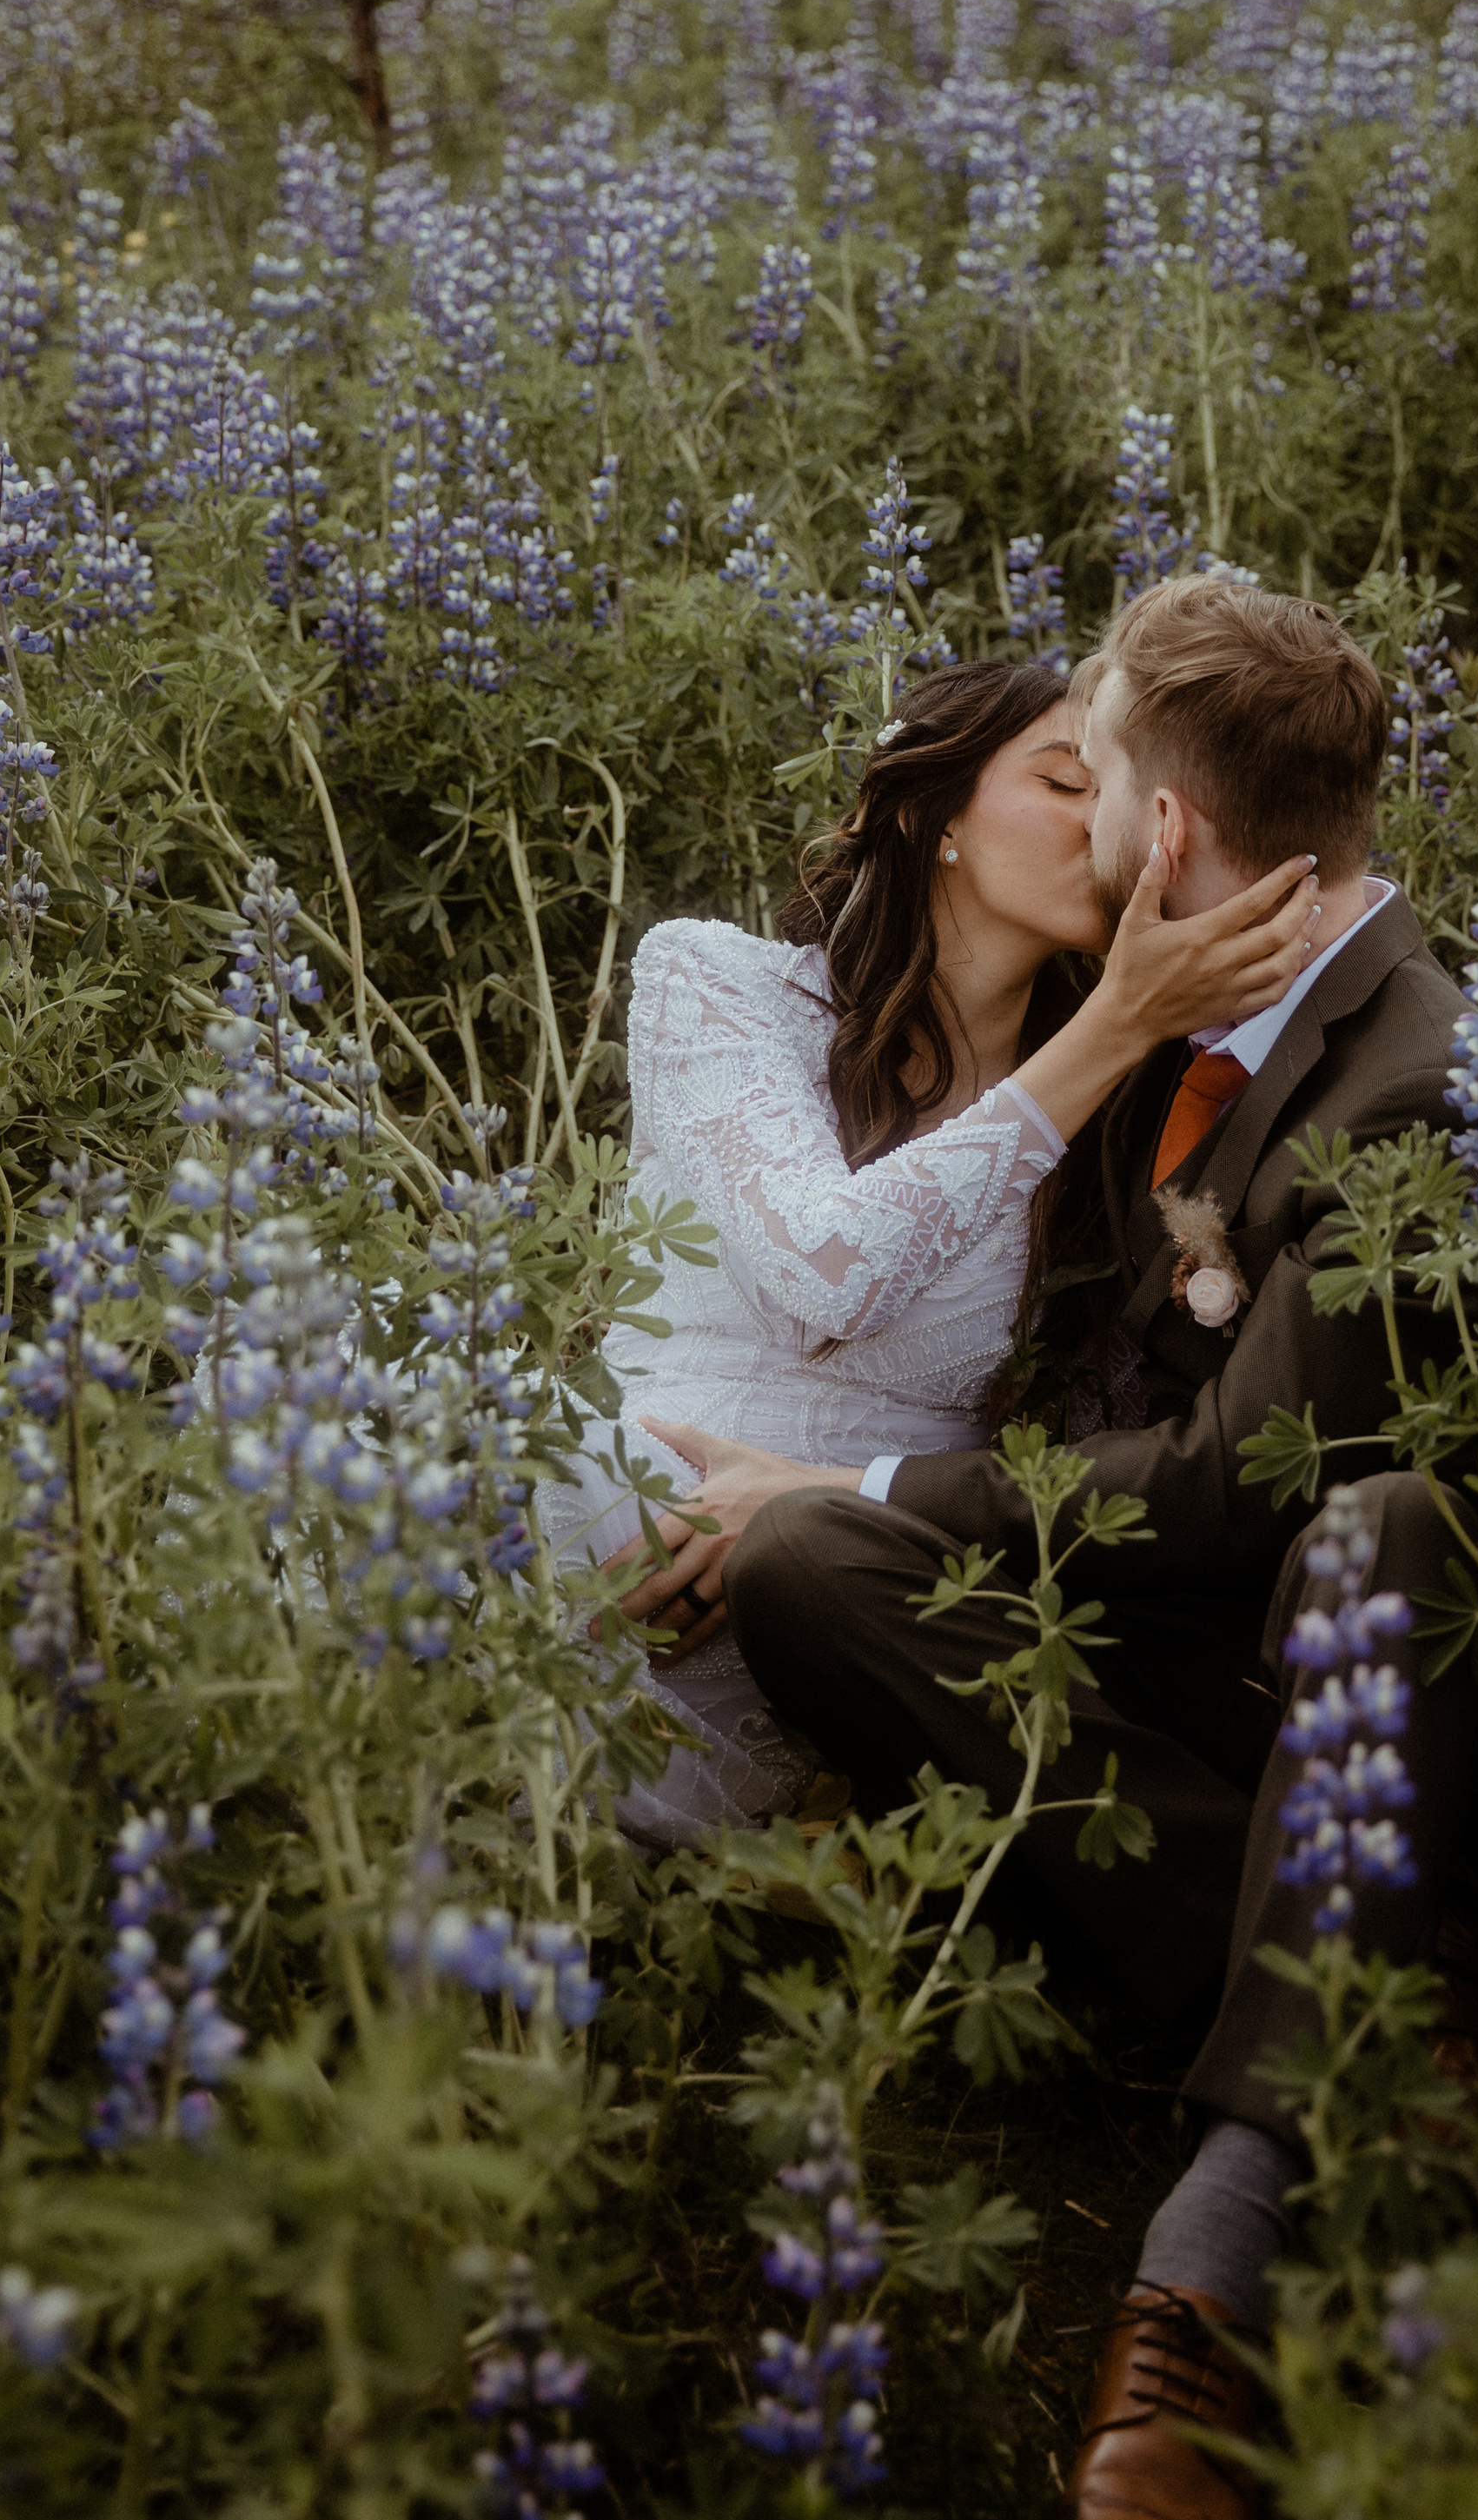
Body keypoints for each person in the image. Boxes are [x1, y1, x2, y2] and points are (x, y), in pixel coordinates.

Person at [630, 576, 1478, 2520]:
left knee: (1387, 1534)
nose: (1086, 813)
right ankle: (1339, 2006)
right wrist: (833, 1496)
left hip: (1310, 1654)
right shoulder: (1124, 1044)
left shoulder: (1416, 1069)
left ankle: (1229, 2213)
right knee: (811, 1563)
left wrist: (844, 1467)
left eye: (1099, 775)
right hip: (1104, 1637)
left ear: (1161, 836)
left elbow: (1221, 1486)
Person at [537, 653, 1322, 1847]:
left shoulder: (1120, 1125)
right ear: (929, 813)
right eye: (1065, 781)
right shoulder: (719, 986)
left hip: (832, 1624)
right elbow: (820, 1277)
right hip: (607, 1533)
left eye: (1117, 798)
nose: (1101, 821)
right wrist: (1116, 1023)